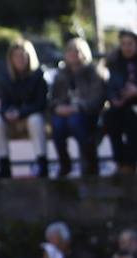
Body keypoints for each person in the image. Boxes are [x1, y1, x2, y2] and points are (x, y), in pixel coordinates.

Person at [0, 37, 48, 181]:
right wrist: (7, 113)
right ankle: (4, 167)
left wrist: (20, 113)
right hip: (14, 119)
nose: (19, 59)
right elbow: (3, 105)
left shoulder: (39, 75)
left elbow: (41, 103)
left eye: (22, 55)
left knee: (35, 120)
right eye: (16, 56)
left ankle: (42, 164)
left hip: (33, 117)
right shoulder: (5, 77)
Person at [49, 36, 105, 179]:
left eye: (77, 51)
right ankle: (64, 164)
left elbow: (97, 99)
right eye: (70, 51)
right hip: (65, 113)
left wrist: (78, 107)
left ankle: (89, 164)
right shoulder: (61, 74)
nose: (73, 54)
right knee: (57, 124)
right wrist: (57, 108)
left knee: (76, 122)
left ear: (84, 53)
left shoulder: (94, 72)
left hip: (89, 115)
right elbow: (52, 99)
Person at [105, 29, 137, 174]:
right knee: (110, 117)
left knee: (132, 118)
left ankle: (131, 163)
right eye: (123, 44)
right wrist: (114, 99)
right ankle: (120, 161)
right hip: (120, 104)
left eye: (130, 43)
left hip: (135, 105)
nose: (127, 47)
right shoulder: (114, 62)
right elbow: (110, 85)